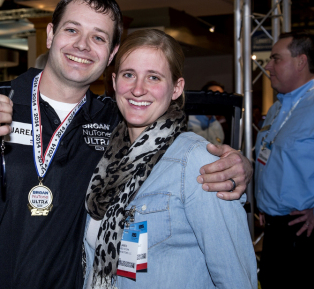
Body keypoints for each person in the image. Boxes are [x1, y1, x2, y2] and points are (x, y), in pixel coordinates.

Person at [0, 0, 252, 289]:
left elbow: (175, 147)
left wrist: (240, 166)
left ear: (111, 55)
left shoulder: (119, 119)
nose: (82, 45)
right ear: (50, 35)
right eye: (72, 30)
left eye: (98, 37)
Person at [84, 29, 257, 289]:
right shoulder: (102, 158)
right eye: (129, 75)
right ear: (114, 80)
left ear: (176, 88)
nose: (138, 89)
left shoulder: (198, 161)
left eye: (153, 77)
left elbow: (236, 279)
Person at [255, 32, 314, 289]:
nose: (267, 66)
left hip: (308, 232)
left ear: (300, 62)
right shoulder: (277, 108)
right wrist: (265, 203)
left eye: (276, 58)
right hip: (275, 231)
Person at [188, 81, 226, 145]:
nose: (217, 99)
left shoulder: (218, 124)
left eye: (221, 96)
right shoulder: (187, 120)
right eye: (214, 95)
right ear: (204, 97)